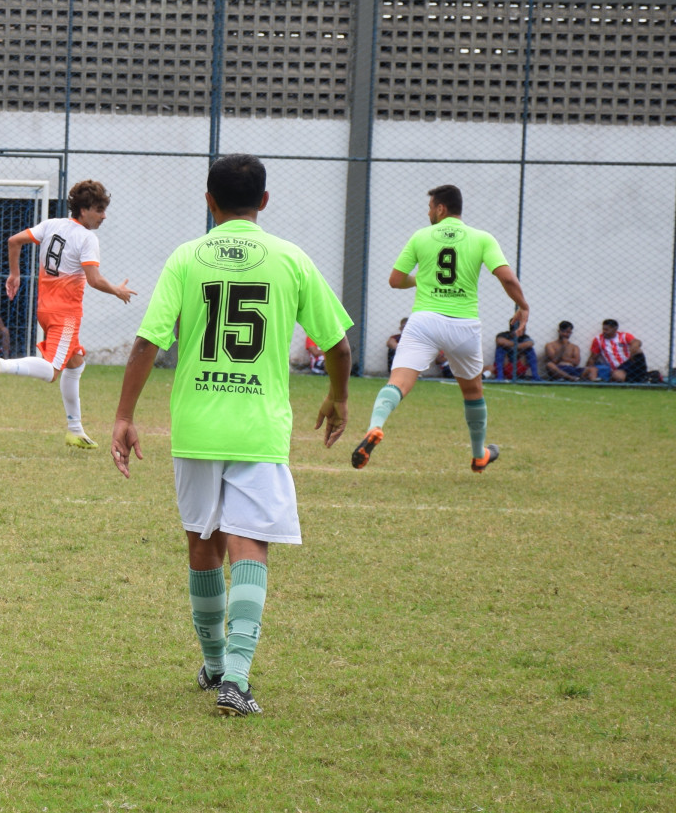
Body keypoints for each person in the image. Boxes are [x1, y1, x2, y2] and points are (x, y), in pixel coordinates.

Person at [111, 153, 352, 717]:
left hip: (196, 425)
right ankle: (235, 680)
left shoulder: (187, 257)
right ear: (264, 202)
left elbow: (150, 341)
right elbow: (338, 344)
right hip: (257, 428)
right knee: (250, 543)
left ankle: (215, 662)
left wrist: (124, 413)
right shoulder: (291, 258)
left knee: (203, 542)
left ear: (208, 200)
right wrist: (339, 397)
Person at [352, 184, 528, 474]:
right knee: (473, 391)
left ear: (441, 209)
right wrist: (523, 305)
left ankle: (375, 427)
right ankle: (478, 455)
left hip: (424, 322)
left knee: (398, 382)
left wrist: (419, 280)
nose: (428, 212)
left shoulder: (421, 237)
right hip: (464, 325)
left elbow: (395, 280)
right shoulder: (482, 238)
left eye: (430, 207)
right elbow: (507, 277)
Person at [0, 179, 136, 449]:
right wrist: (117, 290)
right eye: (99, 209)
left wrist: (14, 274)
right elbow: (94, 280)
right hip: (66, 315)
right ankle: (1, 364)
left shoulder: (51, 224)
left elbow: (13, 241)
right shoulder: (87, 238)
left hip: (45, 309)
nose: (104, 216)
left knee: (75, 364)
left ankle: (74, 430)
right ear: (84, 210)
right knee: (53, 371)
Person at [585, 319, 648, 383]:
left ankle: (642, 377)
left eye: (607, 330)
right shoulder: (598, 340)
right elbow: (593, 358)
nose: (604, 331)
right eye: (603, 329)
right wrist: (587, 369)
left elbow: (637, 342)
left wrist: (633, 347)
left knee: (638, 350)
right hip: (617, 368)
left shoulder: (624, 336)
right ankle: (640, 381)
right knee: (618, 376)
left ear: (615, 329)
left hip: (629, 363)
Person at [494, 313, 537, 380]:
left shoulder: (524, 337)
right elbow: (500, 341)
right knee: (500, 349)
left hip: (519, 365)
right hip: (506, 365)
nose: (525, 328)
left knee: (530, 350)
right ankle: (500, 376)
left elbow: (530, 343)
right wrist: (518, 345)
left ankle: (535, 376)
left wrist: (510, 345)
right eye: (523, 327)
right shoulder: (504, 335)